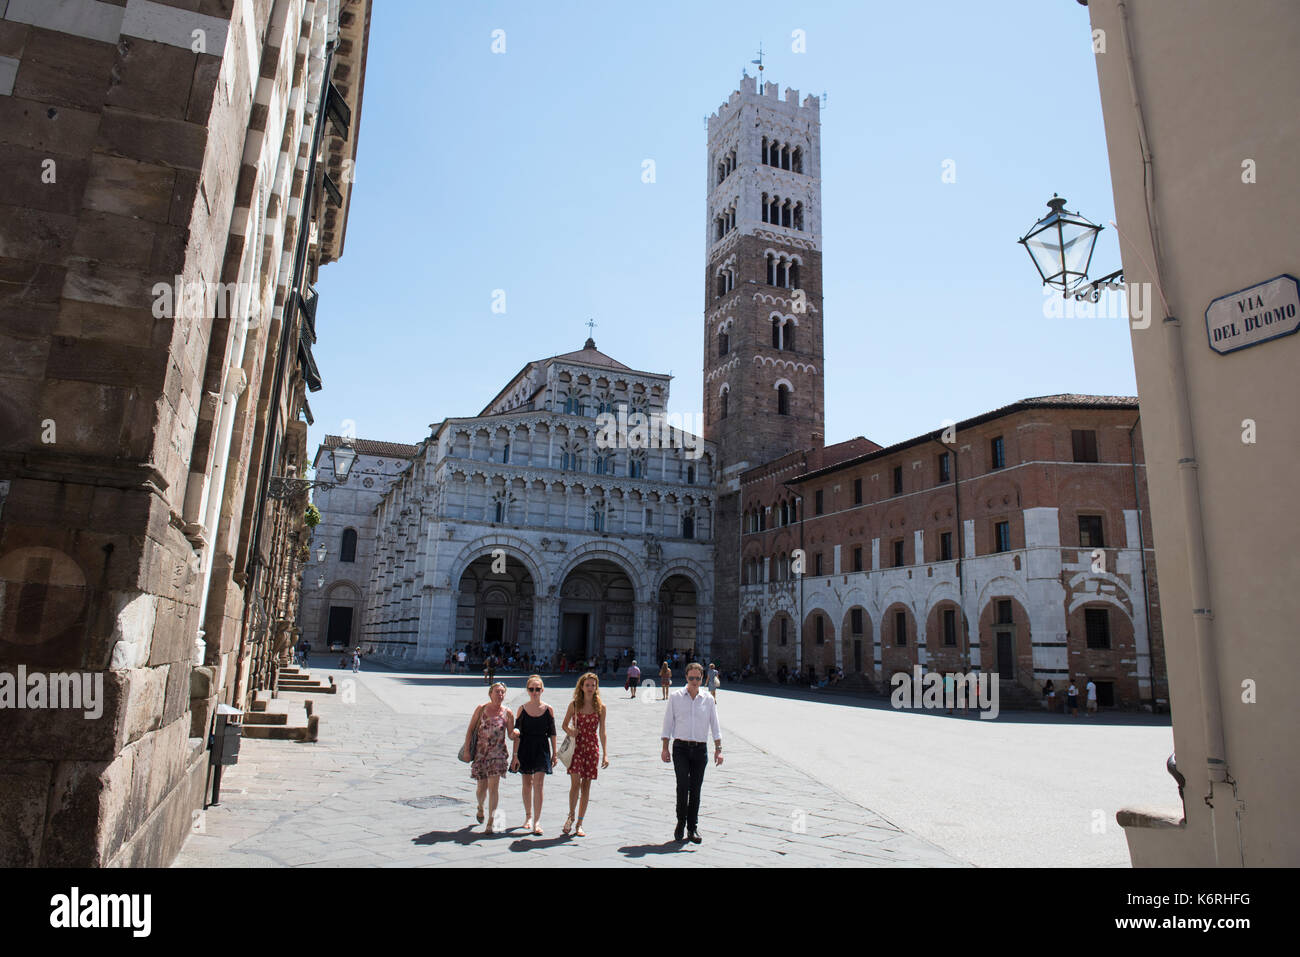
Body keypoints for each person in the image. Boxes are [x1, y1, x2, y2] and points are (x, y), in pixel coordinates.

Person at [661, 662, 723, 844]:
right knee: (682, 786)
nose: (695, 681)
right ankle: (680, 822)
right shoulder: (676, 696)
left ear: (703, 678)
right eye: (691, 678)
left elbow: (715, 725)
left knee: (695, 789)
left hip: (700, 749)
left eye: (698, 678)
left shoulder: (708, 699)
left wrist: (719, 750)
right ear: (686, 677)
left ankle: (692, 827)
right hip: (680, 748)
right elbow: (668, 723)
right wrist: (665, 747)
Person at [463, 682, 515, 833]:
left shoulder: (508, 712)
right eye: (497, 692)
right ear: (490, 693)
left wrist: (515, 733)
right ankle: (480, 807)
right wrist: (467, 750)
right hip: (481, 753)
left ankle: (491, 823)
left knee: (494, 788)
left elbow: (510, 734)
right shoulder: (481, 709)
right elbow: (470, 730)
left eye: (502, 692)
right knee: (481, 788)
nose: (500, 695)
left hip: (498, 755)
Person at [561, 672, 608, 837]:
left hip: (591, 747)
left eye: (593, 685)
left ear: (596, 687)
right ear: (581, 687)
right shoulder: (574, 705)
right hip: (577, 746)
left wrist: (605, 754)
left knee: (586, 785)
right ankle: (571, 816)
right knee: (575, 783)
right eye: (587, 685)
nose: (590, 688)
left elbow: (602, 732)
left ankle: (580, 823)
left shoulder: (601, 707)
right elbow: (564, 725)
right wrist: (571, 731)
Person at [510, 674, 557, 836]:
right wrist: (514, 755)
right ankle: (528, 817)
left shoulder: (548, 709)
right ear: (527, 690)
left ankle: (537, 821)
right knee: (527, 784)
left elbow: (552, 732)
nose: (535, 692)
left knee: (539, 784)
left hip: (542, 748)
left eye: (537, 689)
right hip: (525, 747)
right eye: (531, 689)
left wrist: (555, 753)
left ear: (542, 690)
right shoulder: (521, 709)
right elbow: (518, 734)